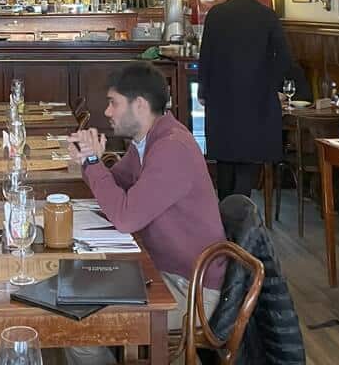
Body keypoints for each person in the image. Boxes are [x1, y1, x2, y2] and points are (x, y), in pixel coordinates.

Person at [67, 63, 224, 365]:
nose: (108, 112)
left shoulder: (171, 148)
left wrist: (91, 163)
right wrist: (91, 162)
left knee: (79, 328)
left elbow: (125, 217)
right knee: (74, 299)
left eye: (113, 103)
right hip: (161, 271)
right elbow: (117, 185)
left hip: (190, 289)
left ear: (139, 105)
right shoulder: (148, 142)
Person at [198, 0, 292, 200]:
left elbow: (205, 55)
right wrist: (274, 87)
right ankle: (242, 208)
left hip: (221, 95)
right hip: (257, 97)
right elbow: (283, 57)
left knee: (224, 153)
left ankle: (224, 208)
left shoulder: (216, 14)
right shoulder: (267, 15)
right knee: (248, 156)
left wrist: (203, 90)